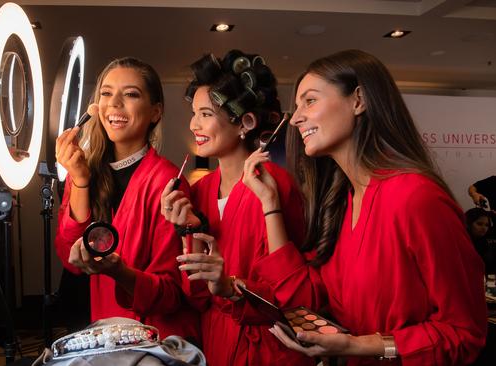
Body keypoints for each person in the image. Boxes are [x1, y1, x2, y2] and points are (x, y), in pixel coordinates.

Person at [265, 49, 486, 365]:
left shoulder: (416, 197)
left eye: (309, 101)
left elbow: (464, 332)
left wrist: (359, 346)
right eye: (297, 106)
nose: (296, 117)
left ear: (358, 100)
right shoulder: (344, 202)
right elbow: (312, 297)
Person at [161, 50, 312, 366]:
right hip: (216, 341)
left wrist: (231, 288)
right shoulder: (199, 190)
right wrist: (186, 230)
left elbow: (293, 297)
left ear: (245, 122)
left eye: (205, 114)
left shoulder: (275, 186)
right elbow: (197, 296)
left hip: (269, 349)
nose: (192, 124)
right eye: (193, 112)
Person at [54, 57, 199, 341]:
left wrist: (120, 272)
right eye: (106, 93)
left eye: (131, 94)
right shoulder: (82, 170)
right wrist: (81, 182)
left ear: (155, 112)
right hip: (105, 335)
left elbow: (171, 295)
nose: (114, 103)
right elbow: (71, 261)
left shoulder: (168, 182)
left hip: (155, 341)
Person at [465, 207, 495, 275]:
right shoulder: (463, 242)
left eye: (487, 225)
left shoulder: (485, 242)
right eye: (479, 224)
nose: (484, 228)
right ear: (469, 224)